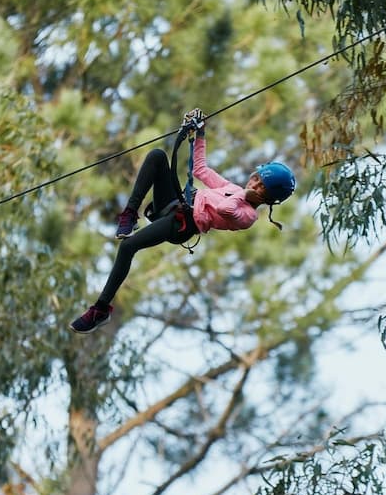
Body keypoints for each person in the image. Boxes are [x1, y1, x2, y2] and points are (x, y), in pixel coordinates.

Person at [69, 109, 296, 334]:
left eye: (260, 187)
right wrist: (200, 135)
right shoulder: (233, 188)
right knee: (157, 156)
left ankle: (100, 310)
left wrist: (244, 196)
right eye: (255, 179)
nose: (252, 186)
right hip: (176, 202)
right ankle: (129, 213)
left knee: (128, 247)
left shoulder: (249, 216)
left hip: (182, 224)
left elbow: (224, 209)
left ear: (267, 198)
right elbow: (200, 170)